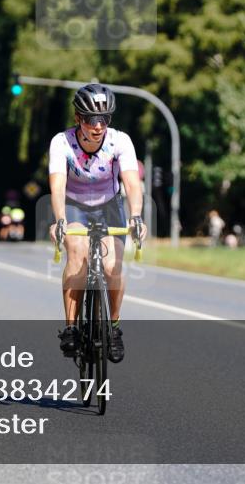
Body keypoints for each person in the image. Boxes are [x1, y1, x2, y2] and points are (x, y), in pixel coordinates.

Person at [48, 83, 147, 364]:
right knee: (78, 256)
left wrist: (136, 216)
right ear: (78, 118)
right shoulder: (61, 142)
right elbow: (57, 185)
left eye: (104, 119)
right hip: (74, 205)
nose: (98, 126)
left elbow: (131, 181)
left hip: (109, 206)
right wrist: (60, 221)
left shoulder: (120, 141)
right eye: (92, 119)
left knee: (111, 266)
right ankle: (70, 328)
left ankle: (113, 328)